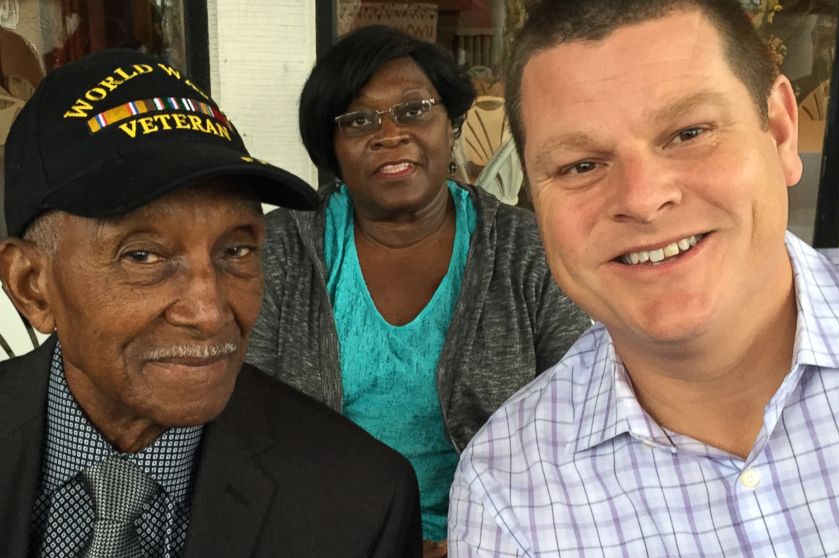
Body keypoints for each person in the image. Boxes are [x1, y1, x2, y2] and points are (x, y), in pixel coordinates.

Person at [0, 49, 423, 557]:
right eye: (142, 256)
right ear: (32, 285)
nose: (210, 312)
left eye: (236, 249)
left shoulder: (359, 504)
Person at [448, 0, 839, 556]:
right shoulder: (508, 491)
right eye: (581, 165)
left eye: (689, 132)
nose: (643, 199)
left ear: (778, 131)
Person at [245, 25, 589, 556]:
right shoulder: (282, 251)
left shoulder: (529, 252)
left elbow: (577, 416)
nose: (389, 134)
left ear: (450, 124)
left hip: (499, 534)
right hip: (322, 536)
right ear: (331, 148)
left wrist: (479, 538)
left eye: (413, 110)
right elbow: (247, 418)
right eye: (359, 120)